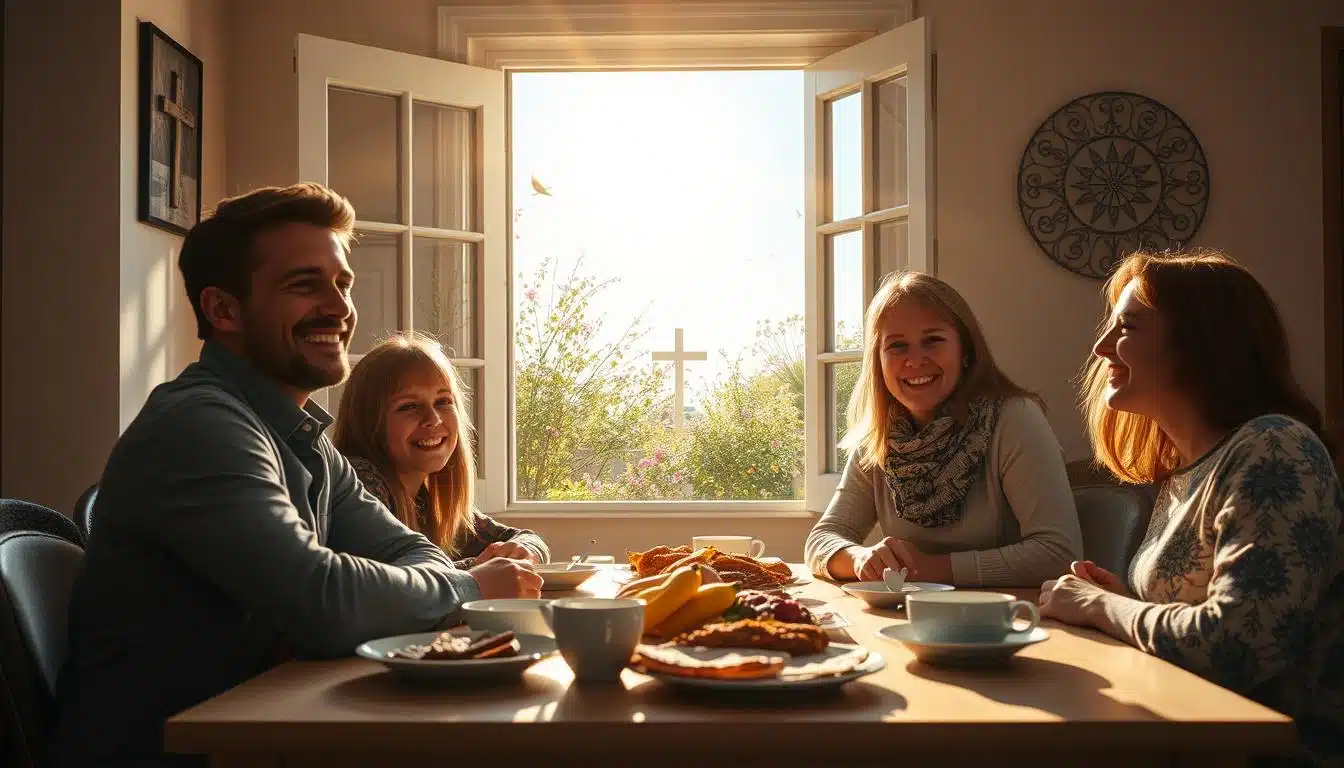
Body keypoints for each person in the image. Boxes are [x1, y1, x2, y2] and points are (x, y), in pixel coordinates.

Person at [48, 183, 541, 767]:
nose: (339, 307)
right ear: (223, 310)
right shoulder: (200, 425)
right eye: (305, 284)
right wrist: (470, 587)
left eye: (342, 283)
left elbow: (411, 551)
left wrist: (425, 584)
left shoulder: (301, 434)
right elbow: (320, 597)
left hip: (264, 736)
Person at [1039, 249, 1342, 767]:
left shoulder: (1275, 448)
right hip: (1186, 736)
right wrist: (1125, 597)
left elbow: (1235, 646)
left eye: (1128, 327)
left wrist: (1101, 607)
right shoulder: (1188, 472)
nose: (1101, 347)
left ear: (1203, 343)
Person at [803, 271, 1082, 586]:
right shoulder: (879, 437)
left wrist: (926, 570)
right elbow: (822, 539)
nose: (915, 360)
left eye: (933, 340)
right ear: (878, 362)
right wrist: (860, 559)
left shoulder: (1015, 418)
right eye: (897, 346)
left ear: (965, 350)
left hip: (1008, 622)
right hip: (910, 617)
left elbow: (1058, 554)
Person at [332, 332, 550, 567]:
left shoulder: (425, 501)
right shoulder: (359, 481)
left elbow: (526, 539)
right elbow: (395, 580)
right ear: (368, 422)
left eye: (443, 402)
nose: (433, 419)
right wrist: (485, 568)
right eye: (409, 406)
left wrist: (523, 551)